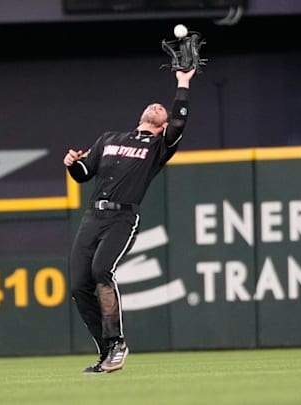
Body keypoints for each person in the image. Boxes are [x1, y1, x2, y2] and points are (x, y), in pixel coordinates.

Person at [63, 68, 196, 373]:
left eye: (162, 111)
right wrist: (72, 164)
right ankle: (107, 351)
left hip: (122, 217)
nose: (157, 108)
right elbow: (84, 173)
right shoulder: (109, 139)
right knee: (79, 285)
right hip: (93, 216)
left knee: (100, 270)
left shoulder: (158, 148)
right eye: (156, 107)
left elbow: (179, 121)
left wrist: (183, 83)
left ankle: (118, 342)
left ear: (162, 127)